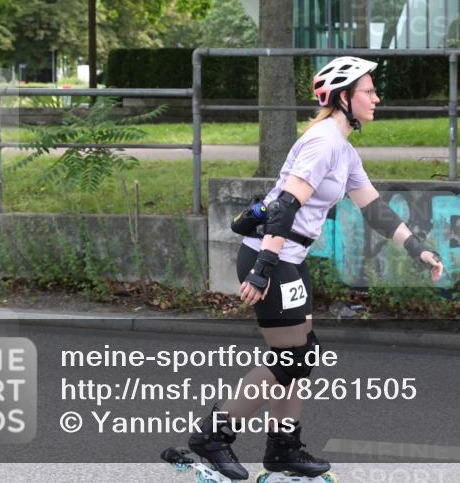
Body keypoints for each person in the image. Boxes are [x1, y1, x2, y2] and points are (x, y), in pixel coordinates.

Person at [187, 56, 445, 481]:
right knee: (293, 358)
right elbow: (285, 205)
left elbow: (375, 210)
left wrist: (418, 249)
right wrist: (263, 268)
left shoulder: (343, 150)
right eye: (368, 90)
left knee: (299, 358)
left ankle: (283, 446)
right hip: (271, 256)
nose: (376, 97)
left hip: (290, 259)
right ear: (344, 98)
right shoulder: (322, 141)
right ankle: (214, 436)